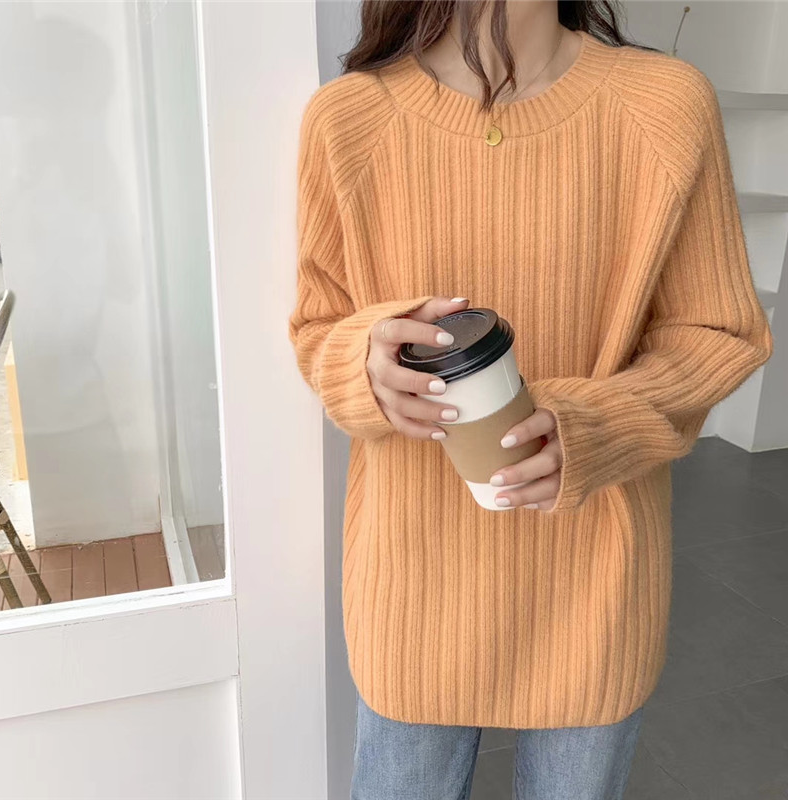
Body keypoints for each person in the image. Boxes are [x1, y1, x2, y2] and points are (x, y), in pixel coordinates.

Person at [288, 1, 773, 798]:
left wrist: (597, 425)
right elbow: (318, 324)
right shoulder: (349, 118)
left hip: (593, 580)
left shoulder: (664, 104)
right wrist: (361, 363)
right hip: (415, 584)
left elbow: (718, 330)